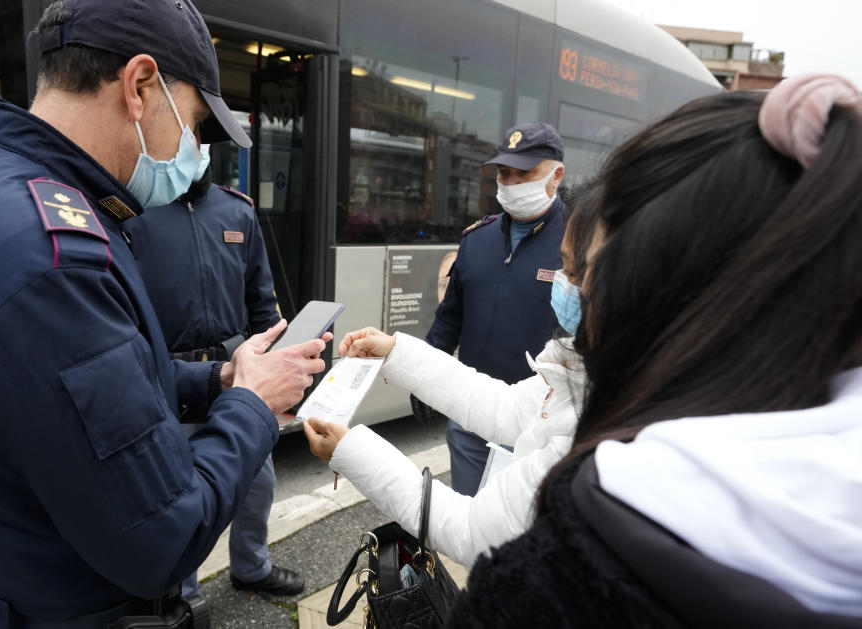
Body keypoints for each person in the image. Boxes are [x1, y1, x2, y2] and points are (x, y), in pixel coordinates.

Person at [0, 0, 328, 627]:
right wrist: (254, 402)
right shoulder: (55, 257)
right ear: (139, 85)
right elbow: (161, 537)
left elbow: (92, 384)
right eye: (194, 120)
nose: (194, 147)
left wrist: (220, 377)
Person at [447, 74, 862, 627]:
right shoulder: (479, 238)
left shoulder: (587, 545)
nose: (576, 292)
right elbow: (456, 325)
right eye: (503, 172)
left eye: (590, 271)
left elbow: (477, 531)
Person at [302, 192, 597, 567]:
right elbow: (504, 408)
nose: (561, 282)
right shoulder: (586, 369)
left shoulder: (599, 422)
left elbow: (471, 534)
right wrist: (395, 352)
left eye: (571, 272)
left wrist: (350, 452)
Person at [125, 165, 305, 596]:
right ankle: (182, 597)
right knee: (177, 500)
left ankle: (251, 567)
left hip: (237, 377)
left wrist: (282, 370)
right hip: (168, 380)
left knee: (257, 485)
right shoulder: (134, 213)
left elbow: (262, 302)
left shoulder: (236, 211)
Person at [425, 121, 566, 495]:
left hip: (537, 428)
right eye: (505, 173)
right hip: (470, 418)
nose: (513, 183)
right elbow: (449, 318)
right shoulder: (478, 239)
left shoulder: (577, 242)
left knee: (521, 540)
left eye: (525, 173)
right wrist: (423, 378)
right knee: (470, 529)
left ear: (556, 175)